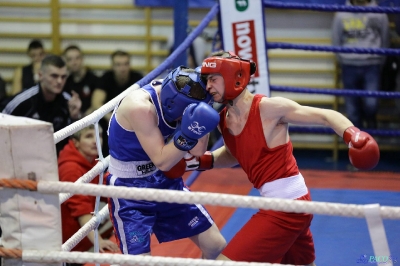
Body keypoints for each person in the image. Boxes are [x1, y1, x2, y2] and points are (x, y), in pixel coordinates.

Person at [176, 51, 380, 264]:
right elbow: (233, 153)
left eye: (213, 79)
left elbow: (325, 115)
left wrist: (353, 135)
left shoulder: (268, 109)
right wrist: (203, 161)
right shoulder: (221, 119)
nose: (208, 86)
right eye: (206, 80)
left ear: (230, 76)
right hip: (292, 204)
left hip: (286, 208)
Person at [106, 66, 226, 257]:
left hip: (163, 181)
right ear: (173, 103)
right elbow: (163, 161)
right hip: (129, 189)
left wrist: (203, 114)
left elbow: (198, 151)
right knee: (140, 262)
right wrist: (187, 133)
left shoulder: (188, 94)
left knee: (215, 244)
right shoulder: (141, 107)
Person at [59, 125, 119, 266]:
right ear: (76, 142)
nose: (95, 141)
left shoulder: (89, 160)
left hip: (84, 239)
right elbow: (81, 210)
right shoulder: (71, 169)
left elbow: (104, 190)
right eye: (88, 136)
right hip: (73, 245)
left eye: (99, 135)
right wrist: (99, 240)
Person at [2, 54, 82, 155]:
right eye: (54, 76)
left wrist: (75, 117)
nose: (59, 81)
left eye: (63, 77)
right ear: (40, 75)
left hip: (55, 159)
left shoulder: (67, 101)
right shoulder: (23, 100)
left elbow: (75, 139)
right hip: (23, 156)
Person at [332, 0, 389, 128]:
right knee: (352, 110)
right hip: (349, 66)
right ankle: (356, 144)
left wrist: (380, 60)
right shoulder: (341, 14)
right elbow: (336, 40)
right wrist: (343, 59)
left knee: (371, 104)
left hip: (372, 65)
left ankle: (370, 131)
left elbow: (385, 39)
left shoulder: (379, 13)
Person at [88, 50, 143, 156]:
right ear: (112, 66)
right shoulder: (106, 78)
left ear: (129, 65)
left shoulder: (137, 78)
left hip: (133, 121)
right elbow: (96, 103)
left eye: (125, 64)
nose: (122, 68)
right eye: (118, 65)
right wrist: (112, 118)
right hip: (109, 123)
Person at [63, 45, 101, 116]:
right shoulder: (65, 83)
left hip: (92, 119)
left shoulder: (95, 80)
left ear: (82, 59)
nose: (74, 62)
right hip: (74, 122)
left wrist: (84, 119)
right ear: (66, 62)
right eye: (70, 59)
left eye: (77, 58)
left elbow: (96, 105)